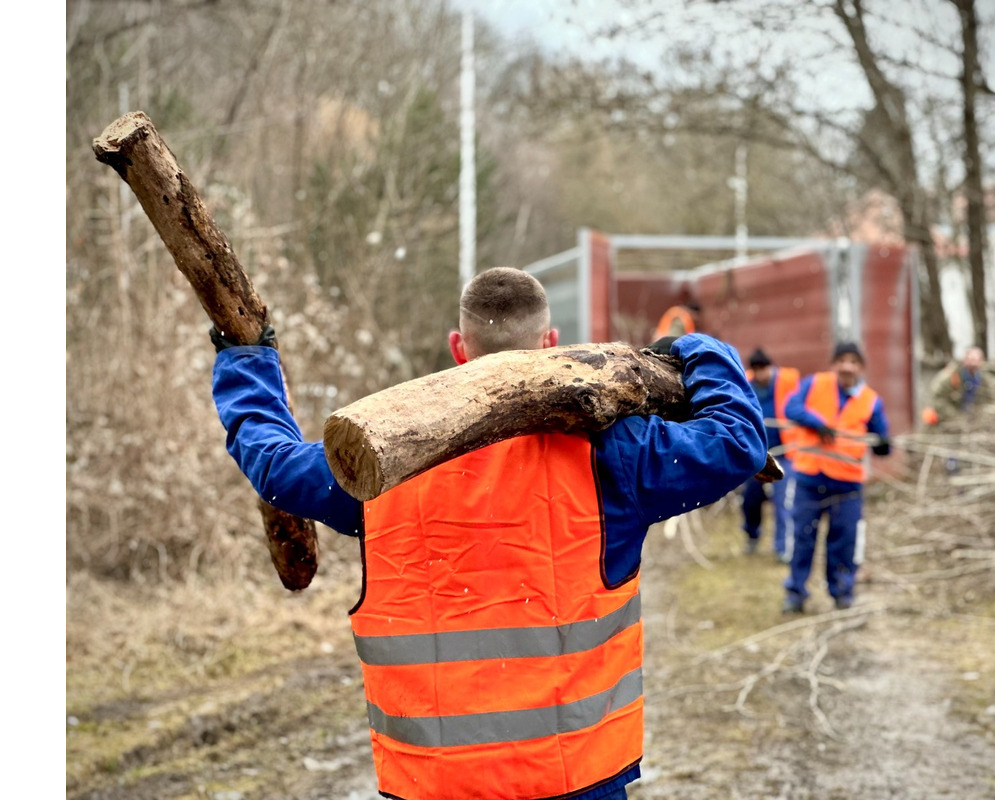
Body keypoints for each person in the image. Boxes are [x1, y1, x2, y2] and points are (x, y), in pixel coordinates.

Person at [209, 266, 768, 800]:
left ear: (459, 348)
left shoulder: (380, 463)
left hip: (434, 786)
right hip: (576, 777)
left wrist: (247, 361)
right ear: (552, 343)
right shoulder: (612, 454)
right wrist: (696, 351)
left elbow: (273, 462)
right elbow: (737, 442)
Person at [779, 341, 890, 614]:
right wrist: (817, 422)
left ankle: (842, 592)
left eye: (853, 362)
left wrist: (883, 442)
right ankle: (796, 593)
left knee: (844, 542)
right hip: (809, 479)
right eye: (842, 360)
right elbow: (790, 408)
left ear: (861, 368)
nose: (847, 366)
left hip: (847, 485)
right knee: (803, 539)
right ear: (834, 364)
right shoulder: (814, 384)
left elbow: (882, 441)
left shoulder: (870, 400)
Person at [740, 347, 800, 561]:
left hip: (785, 453)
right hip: (758, 456)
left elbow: (800, 405)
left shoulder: (789, 381)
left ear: (771, 367)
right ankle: (752, 536)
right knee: (750, 500)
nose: (760, 373)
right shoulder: (745, 384)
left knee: (784, 502)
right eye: (756, 369)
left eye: (763, 368)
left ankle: (783, 548)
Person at [924, 345, 992, 428]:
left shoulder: (984, 379)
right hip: (949, 420)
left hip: (974, 421)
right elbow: (937, 397)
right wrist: (955, 417)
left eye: (976, 360)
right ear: (965, 360)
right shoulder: (951, 376)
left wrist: (980, 415)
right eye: (970, 359)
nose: (973, 364)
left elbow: (991, 401)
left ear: (981, 361)